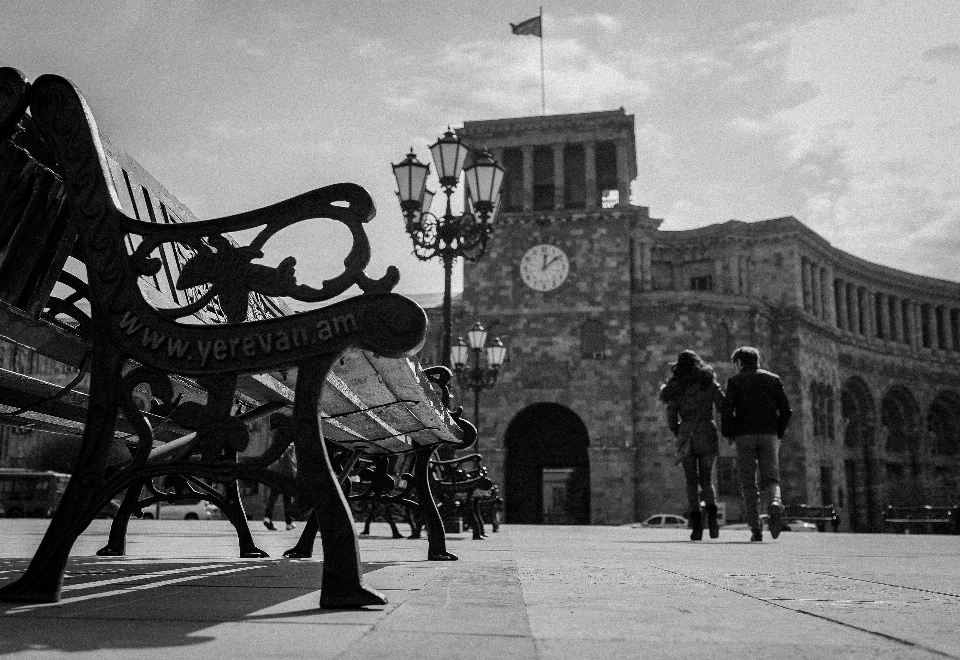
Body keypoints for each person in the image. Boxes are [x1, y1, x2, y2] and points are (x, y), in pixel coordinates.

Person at [721, 346, 792, 542]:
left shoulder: (735, 381)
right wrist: (778, 432)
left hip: (744, 436)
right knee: (771, 478)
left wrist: (729, 433)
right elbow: (786, 410)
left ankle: (756, 529)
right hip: (769, 435)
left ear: (740, 363)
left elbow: (727, 411)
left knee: (748, 483)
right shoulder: (773, 379)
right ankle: (776, 503)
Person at [659, 350, 725, 541]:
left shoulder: (675, 387)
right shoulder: (709, 382)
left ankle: (696, 527)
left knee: (691, 482)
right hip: (707, 432)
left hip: (686, 433)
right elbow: (722, 405)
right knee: (707, 481)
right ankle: (713, 524)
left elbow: (671, 415)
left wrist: (677, 431)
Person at [263, 413, 297, 531]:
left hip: (277, 470)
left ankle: (268, 517)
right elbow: (286, 449)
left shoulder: (276, 436)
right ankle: (288, 522)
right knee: (287, 498)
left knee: (273, 495)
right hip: (287, 471)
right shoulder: (290, 438)